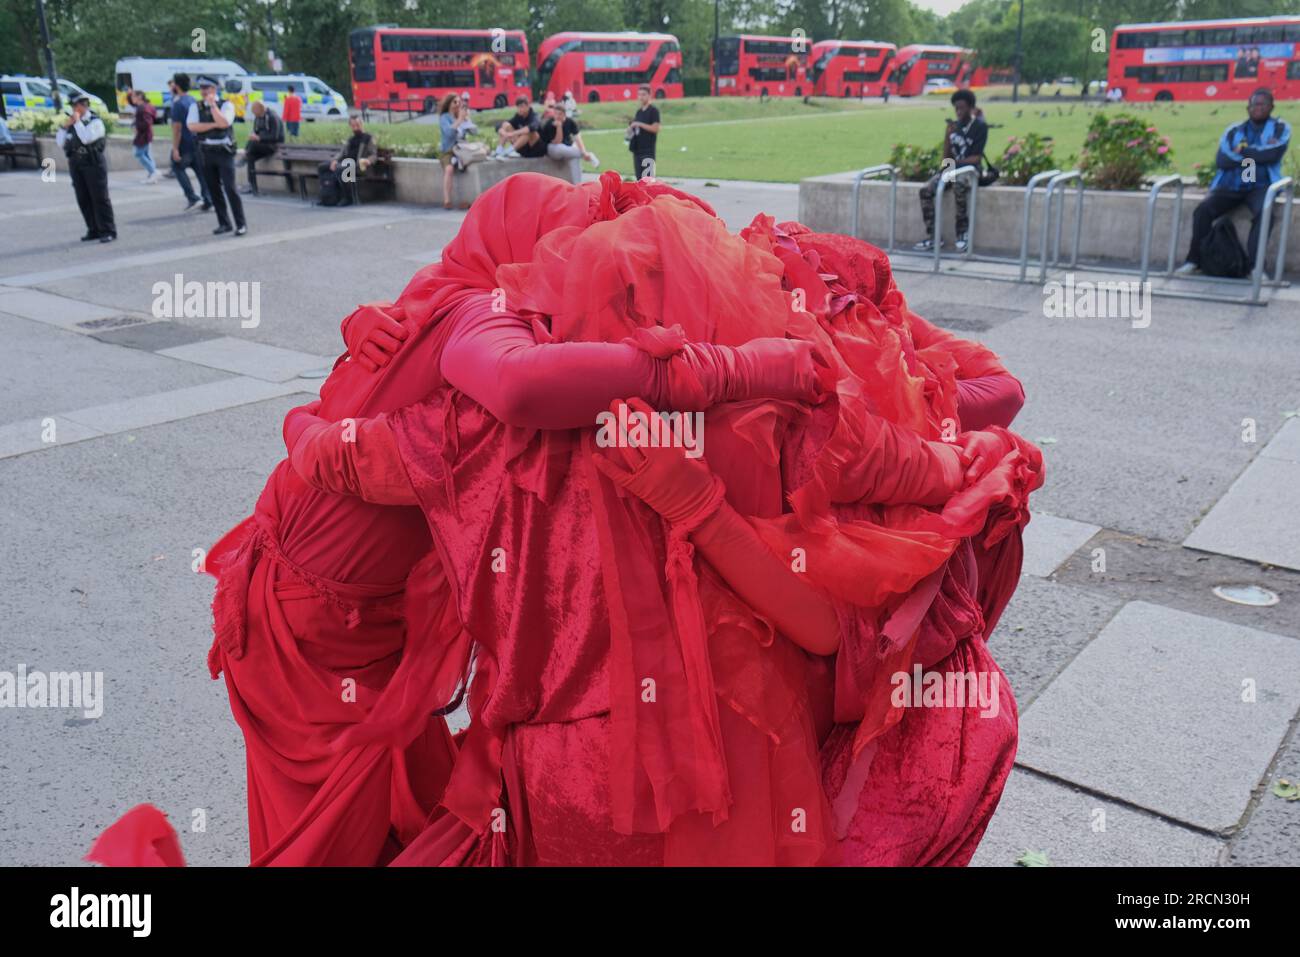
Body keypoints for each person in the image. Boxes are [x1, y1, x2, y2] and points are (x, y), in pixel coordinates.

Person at [1178, 88, 1290, 276]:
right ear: (1248, 107)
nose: (1258, 108)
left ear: (1272, 107)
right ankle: (1194, 261)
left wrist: (1242, 152)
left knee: (1265, 213)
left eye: (1263, 104)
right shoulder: (1233, 131)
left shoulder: (1280, 128)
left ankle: (1256, 268)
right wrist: (1258, 152)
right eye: (1254, 104)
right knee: (1203, 211)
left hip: (1260, 185)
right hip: (1232, 185)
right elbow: (1222, 160)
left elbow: (1273, 155)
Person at [915, 88, 987, 253]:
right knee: (926, 190)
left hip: (970, 170)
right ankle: (933, 237)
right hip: (952, 168)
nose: (958, 111)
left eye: (962, 108)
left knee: (958, 186)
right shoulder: (953, 126)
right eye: (956, 108)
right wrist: (947, 138)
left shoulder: (980, 126)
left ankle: (962, 234)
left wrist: (956, 164)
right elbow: (946, 156)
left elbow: (976, 157)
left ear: (970, 107)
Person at [188, 76, 246, 236]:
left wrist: (213, 106)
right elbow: (192, 126)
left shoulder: (226, 105)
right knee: (214, 189)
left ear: (215, 89)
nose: (204, 92)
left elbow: (225, 122)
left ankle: (240, 224)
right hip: (206, 153)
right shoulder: (196, 106)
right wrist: (214, 124)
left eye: (207, 88)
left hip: (224, 152)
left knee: (230, 188)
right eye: (202, 88)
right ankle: (224, 223)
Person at [56, 91, 116, 243]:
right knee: (83, 197)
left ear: (84, 105)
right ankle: (93, 229)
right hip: (76, 163)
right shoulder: (72, 123)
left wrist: (77, 123)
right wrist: (65, 127)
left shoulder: (95, 122)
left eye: (78, 105)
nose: (76, 109)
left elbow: (86, 138)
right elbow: (60, 142)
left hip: (93, 163)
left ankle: (108, 230)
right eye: (74, 106)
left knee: (99, 197)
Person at [168, 73, 210, 211]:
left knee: (177, 167)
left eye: (173, 83)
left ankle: (192, 197)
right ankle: (208, 199)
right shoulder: (192, 100)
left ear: (177, 85)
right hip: (196, 142)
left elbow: (177, 128)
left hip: (184, 144)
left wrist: (175, 148)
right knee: (201, 172)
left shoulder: (178, 104)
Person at [317, 111, 378, 207]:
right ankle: (326, 195)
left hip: (358, 166)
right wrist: (335, 160)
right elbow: (341, 153)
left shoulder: (368, 138)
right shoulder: (350, 139)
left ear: (362, 124)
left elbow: (374, 155)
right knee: (322, 167)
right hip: (345, 163)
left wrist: (368, 160)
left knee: (341, 169)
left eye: (357, 125)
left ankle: (347, 197)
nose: (355, 127)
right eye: (353, 125)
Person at [540, 100, 598, 181]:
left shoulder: (570, 122)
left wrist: (583, 151)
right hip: (552, 149)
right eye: (555, 114)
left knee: (574, 157)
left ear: (564, 114)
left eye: (559, 114)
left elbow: (577, 138)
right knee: (561, 147)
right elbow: (557, 142)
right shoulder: (550, 124)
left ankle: (577, 184)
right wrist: (559, 127)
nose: (557, 116)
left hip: (567, 147)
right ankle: (588, 155)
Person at [240, 100, 284, 196]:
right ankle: (252, 186)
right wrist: (247, 148)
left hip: (273, 146)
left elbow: (275, 136)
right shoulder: (258, 118)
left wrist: (259, 138)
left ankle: (244, 158)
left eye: (257, 114)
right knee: (250, 157)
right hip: (261, 146)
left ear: (261, 110)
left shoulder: (272, 117)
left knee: (254, 144)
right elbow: (254, 134)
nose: (256, 117)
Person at [627, 84, 660, 180]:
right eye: (639, 94)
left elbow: (655, 128)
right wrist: (631, 129)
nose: (641, 97)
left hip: (648, 152)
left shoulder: (653, 111)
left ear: (650, 95)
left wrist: (639, 124)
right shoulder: (639, 112)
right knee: (639, 180)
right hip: (637, 151)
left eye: (643, 94)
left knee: (648, 182)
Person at [438, 93, 462, 209]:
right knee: (449, 169)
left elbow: (474, 131)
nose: (457, 105)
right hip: (448, 150)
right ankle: (447, 199)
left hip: (462, 149)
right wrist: (459, 121)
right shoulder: (444, 118)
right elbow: (448, 133)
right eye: (455, 102)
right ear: (449, 104)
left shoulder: (461, 116)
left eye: (459, 102)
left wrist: (466, 120)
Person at [128, 91, 159, 183]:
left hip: (143, 135)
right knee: (146, 154)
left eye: (134, 96)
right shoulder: (144, 106)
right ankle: (152, 174)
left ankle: (153, 172)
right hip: (146, 134)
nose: (132, 98)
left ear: (140, 96)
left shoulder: (142, 108)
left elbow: (147, 122)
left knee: (139, 153)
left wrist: (136, 126)